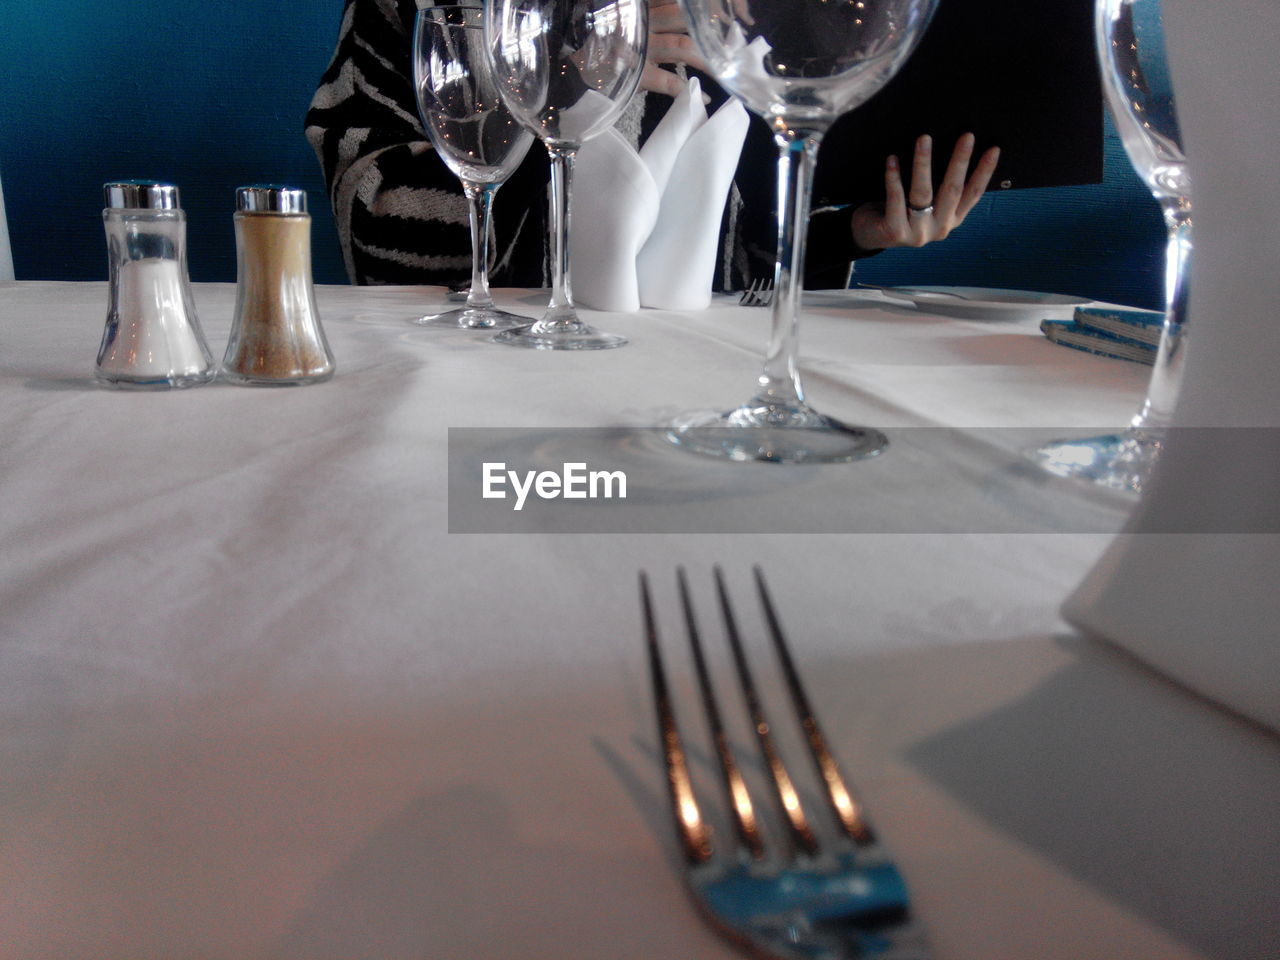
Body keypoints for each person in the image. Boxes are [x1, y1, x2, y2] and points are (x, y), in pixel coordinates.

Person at [305, 0, 1098, 290]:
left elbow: (716, 259)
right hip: (476, 378)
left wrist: (853, 232)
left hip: (696, 392)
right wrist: (561, 80)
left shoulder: (732, 11)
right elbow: (367, 212)